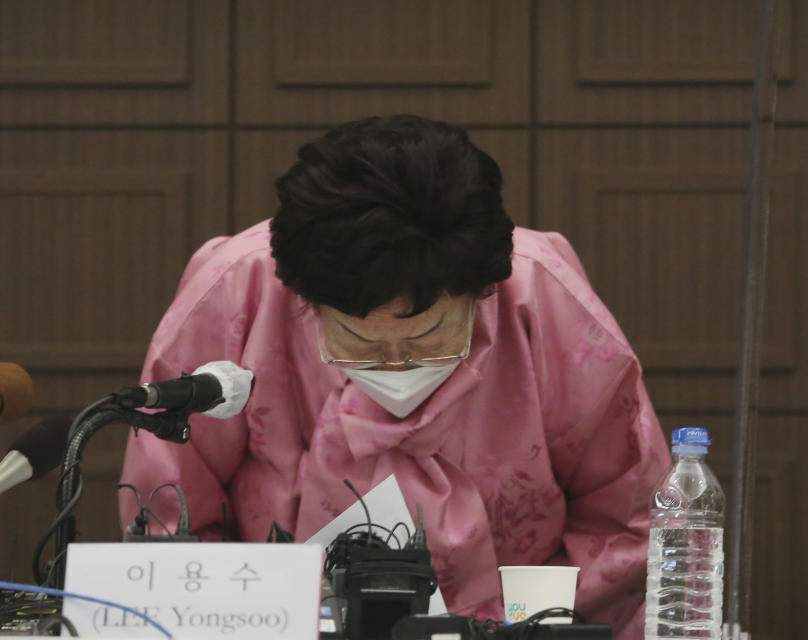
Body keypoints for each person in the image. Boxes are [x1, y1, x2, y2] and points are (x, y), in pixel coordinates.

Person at [119, 114, 670, 638]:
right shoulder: (239, 291)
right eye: (358, 341)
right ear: (305, 300)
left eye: (428, 337)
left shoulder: (540, 295)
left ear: (482, 293)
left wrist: (496, 631)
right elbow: (169, 514)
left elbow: (626, 518)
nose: (395, 363)